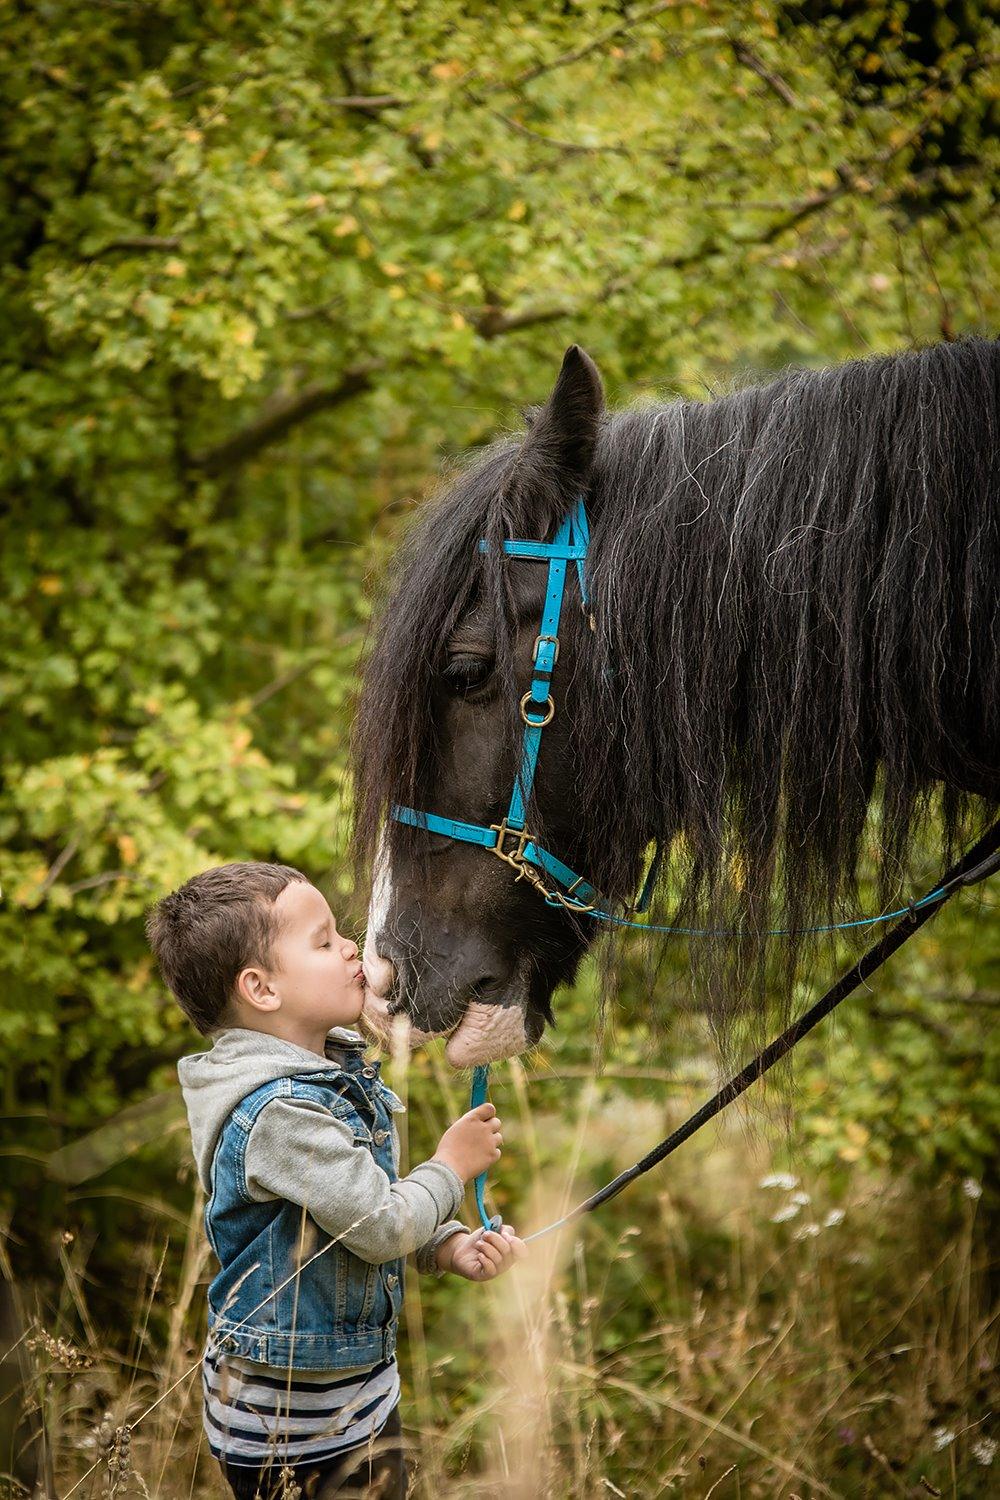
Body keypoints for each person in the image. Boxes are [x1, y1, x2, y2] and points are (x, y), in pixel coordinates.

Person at [147, 861, 524, 1499]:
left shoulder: (330, 1072)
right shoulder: (279, 1111)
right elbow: (377, 1226)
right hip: (292, 1426)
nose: (351, 946)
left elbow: (351, 1213)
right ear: (261, 989)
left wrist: (446, 1244)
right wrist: (449, 1168)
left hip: (356, 1394)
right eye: (323, 942)